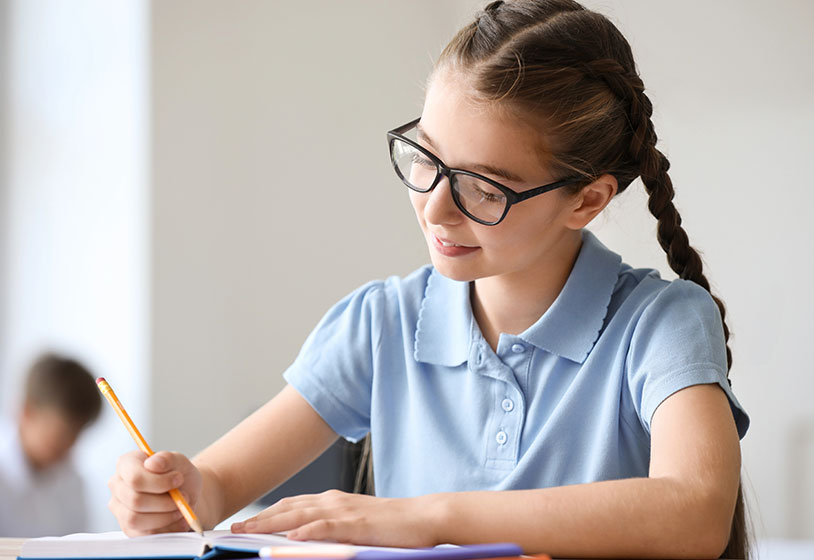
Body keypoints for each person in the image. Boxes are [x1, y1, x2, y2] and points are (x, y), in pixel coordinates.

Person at [106, 1, 751, 557]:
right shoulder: (382, 323)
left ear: (586, 201)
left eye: (483, 186)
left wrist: (426, 519)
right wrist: (175, 492)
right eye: (427, 158)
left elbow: (694, 513)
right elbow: (214, 487)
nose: (436, 207)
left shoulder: (661, 323)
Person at [0, 352, 102, 537]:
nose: (69, 445)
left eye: (76, 435)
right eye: (61, 434)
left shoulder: (72, 481)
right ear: (27, 412)